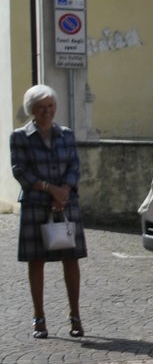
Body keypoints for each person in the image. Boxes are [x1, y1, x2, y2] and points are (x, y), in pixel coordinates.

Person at [12, 84, 86, 338]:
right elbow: (20, 171)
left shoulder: (66, 134)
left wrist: (64, 191)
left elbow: (75, 166)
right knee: (36, 262)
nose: (47, 111)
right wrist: (50, 190)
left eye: (51, 106)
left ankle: (75, 316)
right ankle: (39, 317)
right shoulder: (20, 136)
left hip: (66, 203)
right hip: (36, 203)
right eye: (41, 107)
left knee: (71, 260)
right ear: (31, 110)